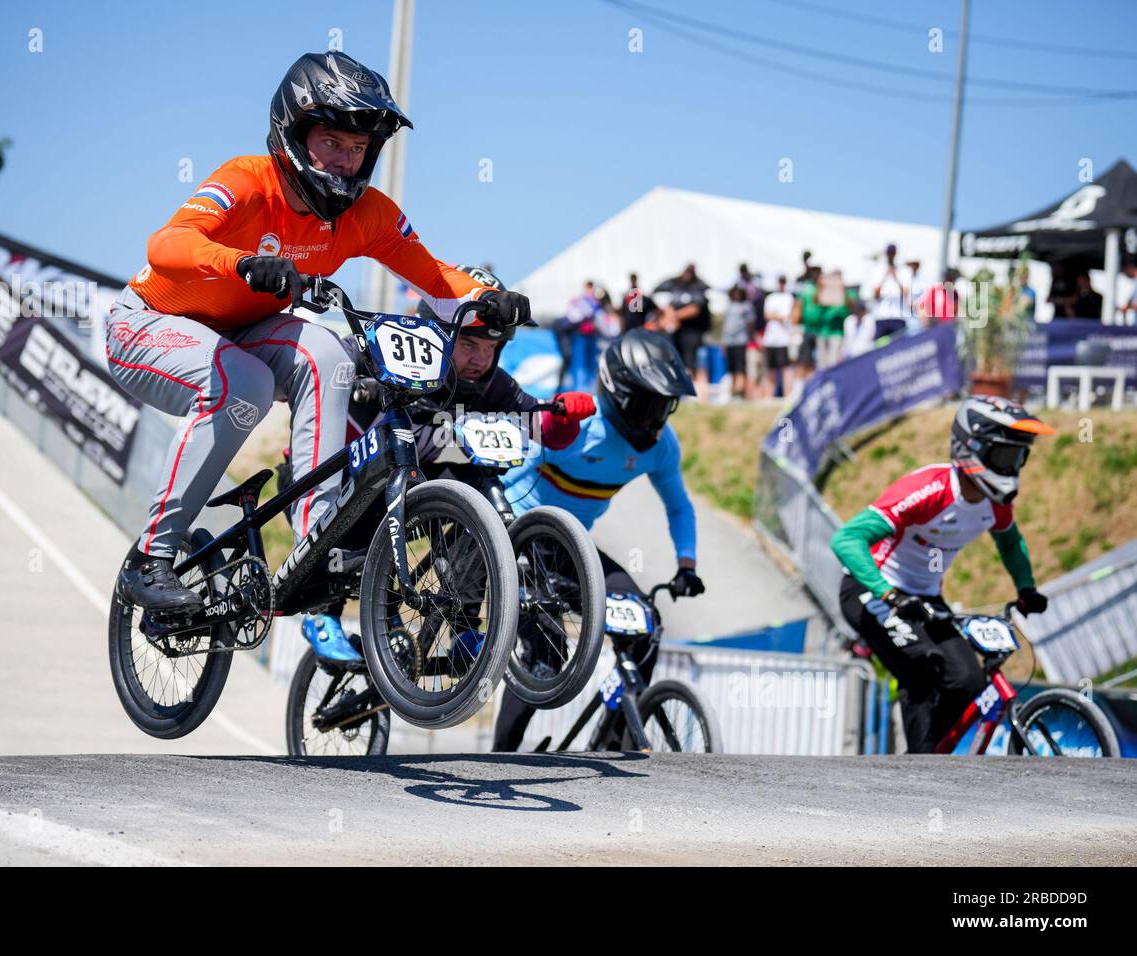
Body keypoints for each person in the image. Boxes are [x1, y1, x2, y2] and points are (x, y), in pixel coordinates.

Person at [107, 51, 529, 661]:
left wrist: (492, 300)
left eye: (357, 149)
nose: (344, 160)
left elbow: (436, 277)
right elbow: (166, 243)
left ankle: (318, 534)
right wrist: (241, 263)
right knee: (242, 384)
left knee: (329, 352)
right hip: (150, 323)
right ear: (293, 133)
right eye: (330, 141)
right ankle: (151, 558)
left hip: (241, 331)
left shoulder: (368, 215)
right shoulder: (249, 179)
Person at [300, 265, 595, 661]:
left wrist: (564, 418)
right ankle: (323, 615)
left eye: (492, 348)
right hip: (340, 486)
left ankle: (464, 625)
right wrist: (348, 379)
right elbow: (333, 360)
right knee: (374, 484)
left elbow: (540, 427)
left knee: (479, 501)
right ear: (437, 336)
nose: (481, 359)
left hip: (416, 495)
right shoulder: (395, 353)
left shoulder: (495, 383)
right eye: (470, 345)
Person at [492, 329, 705, 751]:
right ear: (617, 396)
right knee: (546, 651)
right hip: (519, 534)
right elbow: (506, 468)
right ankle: (500, 756)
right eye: (646, 405)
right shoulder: (576, 423)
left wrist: (686, 565)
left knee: (645, 623)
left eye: (664, 407)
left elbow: (679, 506)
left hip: (572, 548)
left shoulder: (662, 447)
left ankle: (612, 743)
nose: (654, 419)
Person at [830, 396, 1054, 754]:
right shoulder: (928, 490)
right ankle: (922, 769)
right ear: (973, 450)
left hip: (924, 597)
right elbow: (847, 539)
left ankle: (930, 755)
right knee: (921, 665)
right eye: (1004, 456)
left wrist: (1026, 588)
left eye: (1018, 458)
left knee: (967, 680)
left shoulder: (996, 503)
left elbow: (1010, 544)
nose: (1011, 467)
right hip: (870, 589)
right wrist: (888, 594)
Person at [653, 263, 711, 394]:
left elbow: (694, 309)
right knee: (680, 362)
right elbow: (668, 305)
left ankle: (694, 391)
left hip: (694, 334)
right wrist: (669, 316)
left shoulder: (698, 288)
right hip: (678, 333)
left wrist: (675, 316)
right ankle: (683, 390)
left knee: (694, 363)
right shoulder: (676, 286)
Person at [761, 275, 794, 398]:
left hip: (783, 339)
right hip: (771, 339)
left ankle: (787, 396)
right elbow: (767, 315)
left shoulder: (789, 297)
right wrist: (780, 317)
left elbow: (790, 316)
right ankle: (769, 396)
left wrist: (776, 316)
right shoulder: (770, 298)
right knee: (770, 370)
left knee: (786, 369)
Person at [721, 284, 754, 400]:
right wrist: (723, 341)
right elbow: (725, 326)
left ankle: (740, 393)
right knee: (732, 369)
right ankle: (733, 392)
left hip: (741, 341)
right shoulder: (729, 306)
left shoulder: (746, 306)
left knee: (740, 368)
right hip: (729, 342)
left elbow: (750, 324)